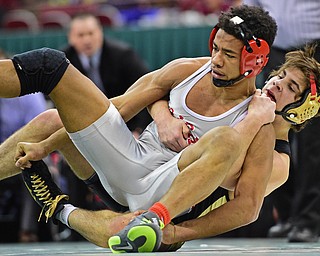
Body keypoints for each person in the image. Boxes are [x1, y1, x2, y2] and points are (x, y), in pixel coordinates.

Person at [0, 4, 283, 252]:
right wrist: (47, 144)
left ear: (254, 61)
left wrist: (178, 231)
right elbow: (117, 109)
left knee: (225, 139)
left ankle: (149, 217)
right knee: (51, 79)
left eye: (229, 55)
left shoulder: (257, 120)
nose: (216, 61)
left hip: (165, 195)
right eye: (215, 48)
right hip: (127, 160)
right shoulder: (184, 70)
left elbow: (248, 207)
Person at [243, 0, 320, 242]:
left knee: (312, 144)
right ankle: (286, 216)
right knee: (272, 132)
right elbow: (251, 8)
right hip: (276, 51)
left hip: (316, 52)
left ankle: (309, 220)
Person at [63, 12, 151, 136]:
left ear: (100, 33)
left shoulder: (123, 55)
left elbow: (146, 90)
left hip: (127, 124)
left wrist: (139, 130)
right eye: (80, 35)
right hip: (85, 130)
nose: (87, 40)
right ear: (70, 38)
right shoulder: (64, 61)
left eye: (91, 33)